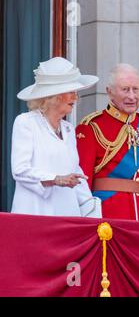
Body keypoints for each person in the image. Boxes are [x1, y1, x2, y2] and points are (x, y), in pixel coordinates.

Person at [76, 63, 139, 222]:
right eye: (125, 90)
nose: (132, 96)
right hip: (108, 222)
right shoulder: (91, 127)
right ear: (110, 92)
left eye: (135, 89)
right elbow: (82, 184)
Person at [12, 57, 101, 217]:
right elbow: (20, 170)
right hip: (35, 212)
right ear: (53, 96)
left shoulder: (68, 129)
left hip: (67, 214)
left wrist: (92, 211)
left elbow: (75, 172)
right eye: (71, 92)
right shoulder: (26, 123)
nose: (76, 98)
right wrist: (55, 179)